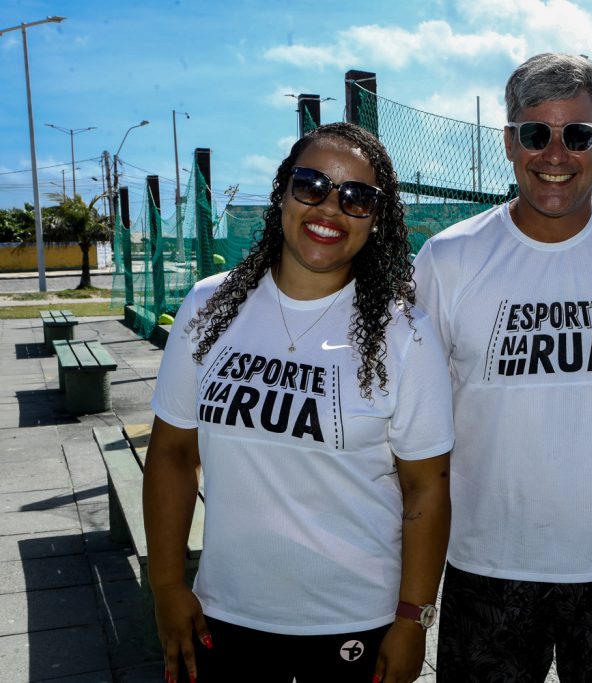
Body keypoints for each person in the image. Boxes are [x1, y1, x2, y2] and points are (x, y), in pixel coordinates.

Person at [413, 53, 592, 681]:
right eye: (535, 132)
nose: (555, 153)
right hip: (484, 565)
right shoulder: (448, 260)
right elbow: (416, 426)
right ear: (509, 141)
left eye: (575, 134)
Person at [142, 122, 454, 683]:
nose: (330, 208)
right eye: (311, 184)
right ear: (283, 192)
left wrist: (414, 619)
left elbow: (426, 485)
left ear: (376, 219)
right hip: (225, 614)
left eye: (357, 197)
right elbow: (170, 452)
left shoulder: (405, 333)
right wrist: (166, 584)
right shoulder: (209, 306)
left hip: (355, 623)